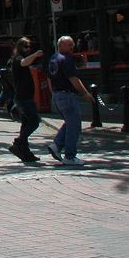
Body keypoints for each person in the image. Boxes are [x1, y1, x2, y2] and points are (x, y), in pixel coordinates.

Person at [45, 35, 96, 167]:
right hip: (66, 95)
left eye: (72, 44)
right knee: (74, 126)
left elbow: (49, 78)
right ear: (61, 45)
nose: (72, 47)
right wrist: (85, 93)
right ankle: (70, 156)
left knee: (69, 122)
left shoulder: (53, 59)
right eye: (69, 44)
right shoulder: (66, 59)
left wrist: (53, 94)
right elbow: (74, 79)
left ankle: (56, 145)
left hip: (57, 95)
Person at [7, 36, 43, 162]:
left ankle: (25, 152)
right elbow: (24, 62)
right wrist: (35, 55)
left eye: (29, 47)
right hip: (23, 98)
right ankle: (19, 142)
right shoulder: (18, 59)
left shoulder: (20, 59)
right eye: (26, 46)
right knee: (34, 121)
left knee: (26, 123)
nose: (28, 49)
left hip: (25, 96)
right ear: (20, 47)